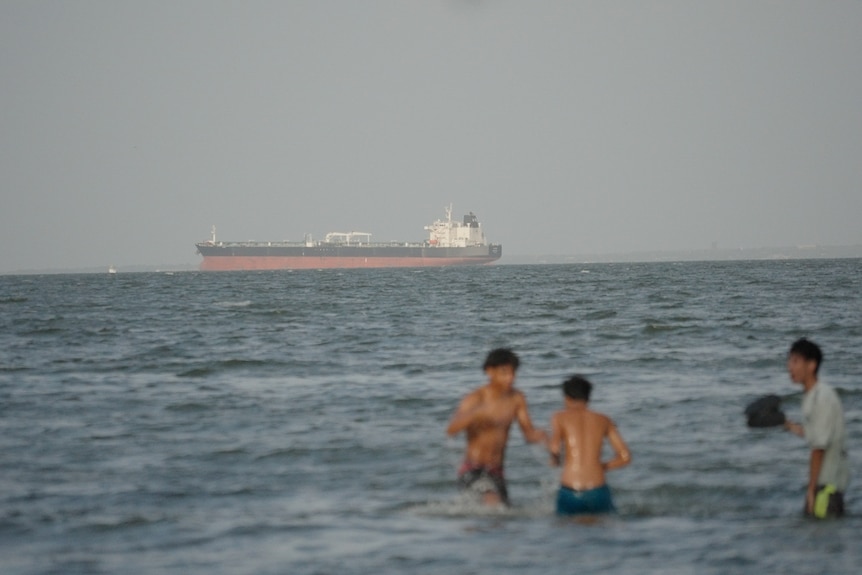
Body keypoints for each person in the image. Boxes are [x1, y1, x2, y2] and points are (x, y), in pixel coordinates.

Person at [446, 348, 547, 506]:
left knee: (503, 516)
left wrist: (545, 438)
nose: (511, 378)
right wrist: (475, 414)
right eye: (505, 373)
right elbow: (451, 429)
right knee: (493, 506)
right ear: (490, 371)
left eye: (513, 373)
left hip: (497, 471)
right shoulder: (476, 398)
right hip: (473, 468)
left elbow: (528, 433)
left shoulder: (516, 399)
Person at [783, 338, 849, 518]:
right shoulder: (813, 395)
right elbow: (815, 434)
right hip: (826, 486)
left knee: (818, 540)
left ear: (811, 365)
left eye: (795, 361)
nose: (790, 367)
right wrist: (787, 424)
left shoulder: (821, 398)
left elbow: (818, 448)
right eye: (789, 361)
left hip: (826, 488)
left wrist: (811, 491)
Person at [548, 375, 631, 516]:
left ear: (566, 398)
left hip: (570, 488)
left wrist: (555, 460)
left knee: (565, 532)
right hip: (597, 489)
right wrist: (602, 466)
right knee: (602, 529)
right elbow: (625, 457)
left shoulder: (559, 417)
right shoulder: (604, 420)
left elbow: (555, 449)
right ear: (588, 397)